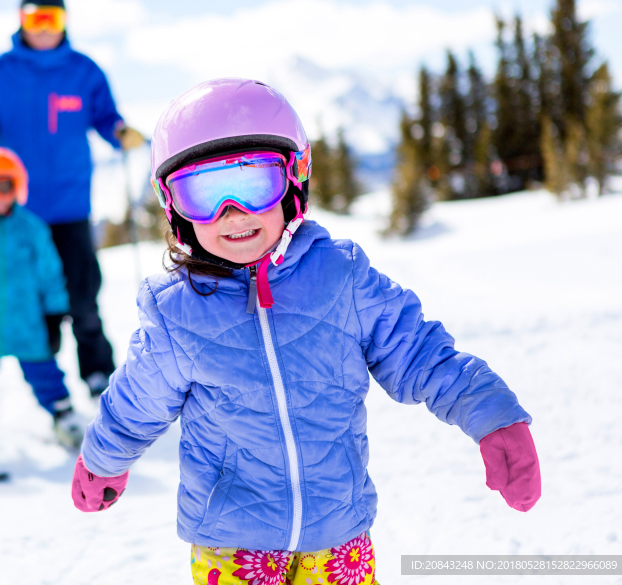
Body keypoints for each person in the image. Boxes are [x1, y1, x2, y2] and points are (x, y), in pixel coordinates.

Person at [71, 79, 541, 585]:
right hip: (233, 541)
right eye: (204, 193)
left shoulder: (342, 278)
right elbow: (137, 400)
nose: (231, 214)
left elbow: (420, 353)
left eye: (254, 186)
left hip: (339, 532)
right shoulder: (176, 312)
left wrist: (491, 414)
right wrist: (104, 459)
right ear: (174, 206)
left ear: (293, 182)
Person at [0, 0, 144, 398]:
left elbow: (105, 117)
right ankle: (46, 380)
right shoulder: (0, 71)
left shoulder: (83, 70)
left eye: (52, 19)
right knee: (33, 298)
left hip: (70, 203)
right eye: (34, 19)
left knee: (82, 296)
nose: (43, 29)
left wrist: (120, 133)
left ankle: (97, 371)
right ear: (20, 20)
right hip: (19, 209)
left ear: (64, 22)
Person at [0, 148, 86, 460]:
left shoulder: (33, 229)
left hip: (28, 325)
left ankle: (66, 423)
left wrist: (54, 315)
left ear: (16, 186)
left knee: (47, 377)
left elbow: (51, 276)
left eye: (3, 187)